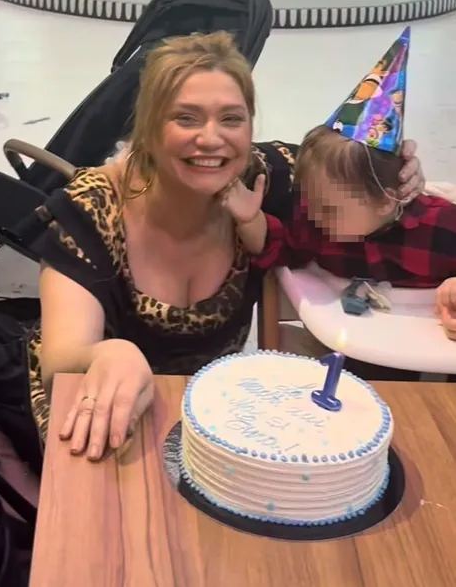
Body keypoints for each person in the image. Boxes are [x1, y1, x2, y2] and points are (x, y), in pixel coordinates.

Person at [28, 30, 424, 463]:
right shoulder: (92, 207)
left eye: (232, 119)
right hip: (97, 419)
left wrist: (400, 180)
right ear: (148, 129)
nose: (212, 139)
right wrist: (110, 354)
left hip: (214, 423)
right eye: (186, 118)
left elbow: (361, 181)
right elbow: (59, 362)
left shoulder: (265, 178)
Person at [222, 27, 456, 339]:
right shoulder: (315, 227)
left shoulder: (442, 227)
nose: (313, 215)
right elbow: (277, 247)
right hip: (351, 347)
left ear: (386, 200)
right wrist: (250, 219)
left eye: (329, 209)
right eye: (309, 202)